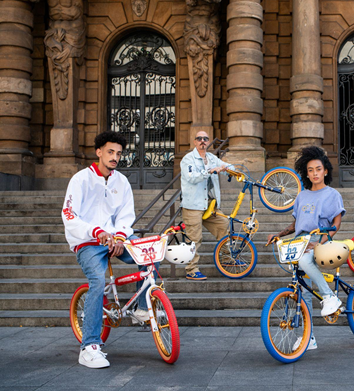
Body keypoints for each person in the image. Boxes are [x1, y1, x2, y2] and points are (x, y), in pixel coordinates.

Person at [62, 131, 158, 369]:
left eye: (119, 153)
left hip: (116, 239)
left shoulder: (121, 181)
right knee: (97, 281)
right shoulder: (80, 179)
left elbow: (126, 215)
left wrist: (120, 236)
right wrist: (96, 232)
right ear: (99, 152)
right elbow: (69, 215)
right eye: (110, 152)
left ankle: (142, 309)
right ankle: (89, 347)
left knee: (149, 252)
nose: (115, 157)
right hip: (88, 241)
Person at [266, 146, 345, 350]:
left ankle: (329, 296)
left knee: (304, 261)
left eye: (318, 169)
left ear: (325, 171)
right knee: (303, 291)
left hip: (320, 238)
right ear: (306, 173)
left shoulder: (333, 194)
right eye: (310, 170)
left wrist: (322, 241)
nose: (315, 173)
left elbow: (336, 223)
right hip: (299, 241)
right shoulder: (302, 196)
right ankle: (308, 337)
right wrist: (279, 234)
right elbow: (296, 224)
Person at [180, 130, 232, 280]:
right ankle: (191, 270)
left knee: (223, 225)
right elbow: (192, 177)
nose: (202, 141)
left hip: (210, 205)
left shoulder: (212, 158)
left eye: (205, 138)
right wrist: (210, 171)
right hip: (193, 205)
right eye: (199, 138)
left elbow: (225, 166)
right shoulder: (188, 159)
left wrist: (233, 170)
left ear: (208, 142)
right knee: (194, 239)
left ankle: (227, 259)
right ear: (195, 142)